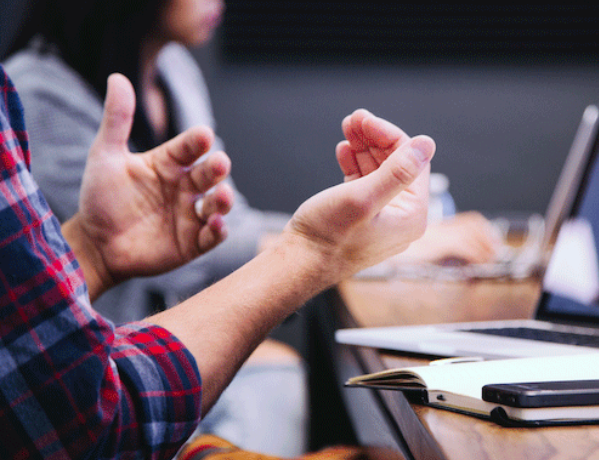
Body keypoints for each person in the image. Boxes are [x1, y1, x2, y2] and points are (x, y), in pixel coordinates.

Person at [2, 0, 498, 455]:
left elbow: (222, 225)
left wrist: (92, 249)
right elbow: (96, 422)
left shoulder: (173, 68)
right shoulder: (36, 93)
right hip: (114, 395)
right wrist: (328, 247)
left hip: (129, 378)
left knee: (279, 371)